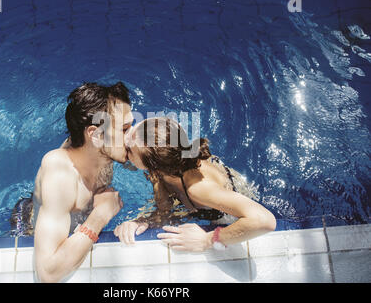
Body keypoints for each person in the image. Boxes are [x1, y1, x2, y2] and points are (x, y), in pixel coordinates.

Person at [21, 82, 133, 283]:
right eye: (125, 129)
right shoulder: (60, 176)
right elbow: (48, 274)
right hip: (29, 225)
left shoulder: (102, 150)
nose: (132, 135)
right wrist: (101, 215)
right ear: (96, 135)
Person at [114, 117, 276, 252]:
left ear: (154, 166)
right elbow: (164, 210)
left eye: (129, 149)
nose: (125, 144)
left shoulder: (198, 189)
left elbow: (264, 221)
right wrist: (140, 222)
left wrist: (207, 240)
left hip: (223, 212)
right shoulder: (168, 159)